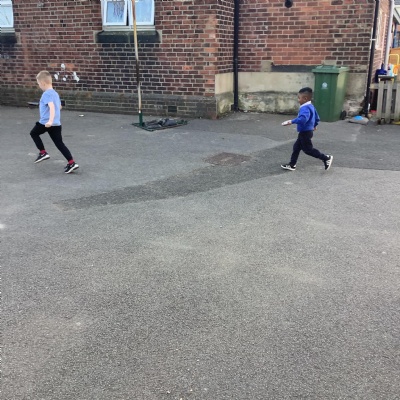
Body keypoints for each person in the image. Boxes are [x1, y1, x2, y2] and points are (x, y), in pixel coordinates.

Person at [30, 70, 79, 174]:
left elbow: (52, 107)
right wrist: (54, 118)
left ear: (43, 83)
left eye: (39, 84)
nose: (39, 86)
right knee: (59, 143)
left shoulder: (46, 94)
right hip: (56, 124)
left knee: (33, 133)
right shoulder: (55, 94)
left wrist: (50, 121)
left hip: (46, 123)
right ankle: (71, 162)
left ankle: (43, 152)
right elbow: (59, 107)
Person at [281, 87, 332, 171]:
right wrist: (314, 125)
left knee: (308, 150)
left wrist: (291, 121)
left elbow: (303, 119)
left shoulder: (304, 108)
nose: (298, 100)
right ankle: (292, 164)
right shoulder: (311, 106)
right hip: (307, 131)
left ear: (305, 98)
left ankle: (326, 158)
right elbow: (317, 117)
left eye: (299, 98)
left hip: (305, 132)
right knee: (296, 147)